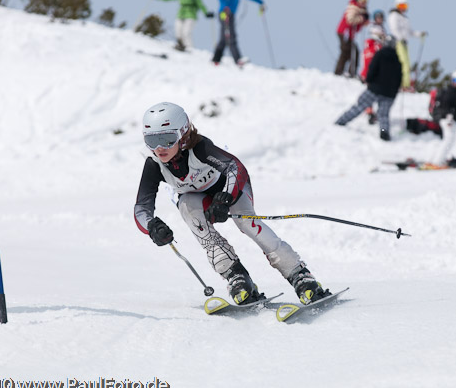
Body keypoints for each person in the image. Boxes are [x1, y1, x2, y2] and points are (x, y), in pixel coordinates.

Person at [135, 102, 329, 306]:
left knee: (247, 223)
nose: (159, 148)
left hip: (232, 192)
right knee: (187, 207)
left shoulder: (200, 148)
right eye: (151, 140)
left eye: (166, 139)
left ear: (182, 135)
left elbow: (236, 168)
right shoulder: (154, 165)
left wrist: (225, 198)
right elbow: (141, 207)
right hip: (201, 202)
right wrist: (152, 226)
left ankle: (299, 274)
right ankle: (235, 275)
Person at [335, 36, 402, 141]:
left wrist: (369, 81)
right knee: (383, 115)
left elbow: (372, 69)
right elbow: (399, 79)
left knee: (359, 106)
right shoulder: (397, 61)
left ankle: (340, 122)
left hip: (375, 89)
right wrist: (394, 92)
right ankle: (384, 133)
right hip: (389, 94)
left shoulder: (380, 54)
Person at [211, 0, 265, 66]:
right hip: (224, 13)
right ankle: (238, 59)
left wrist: (261, 2)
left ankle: (216, 59)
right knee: (231, 36)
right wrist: (225, 7)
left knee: (224, 38)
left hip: (230, 14)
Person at [387, 0, 426, 90]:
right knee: (402, 63)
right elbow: (394, 29)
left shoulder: (405, 18)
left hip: (404, 43)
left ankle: (406, 84)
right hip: (397, 42)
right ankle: (402, 84)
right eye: (401, 6)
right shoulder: (394, 16)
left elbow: (410, 32)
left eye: (405, 6)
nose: (403, 8)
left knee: (407, 64)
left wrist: (420, 34)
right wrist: (400, 38)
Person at [429, 70, 456, 167]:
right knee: (448, 139)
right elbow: (446, 105)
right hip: (446, 118)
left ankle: (436, 159)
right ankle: (437, 161)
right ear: (452, 80)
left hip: (448, 118)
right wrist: (448, 116)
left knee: (448, 139)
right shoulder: (451, 92)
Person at [360, 9, 386, 124]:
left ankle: (378, 113)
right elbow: (367, 62)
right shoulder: (371, 47)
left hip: (379, 76)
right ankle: (369, 111)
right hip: (371, 76)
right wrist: (365, 75)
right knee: (371, 92)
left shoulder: (380, 47)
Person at [334, 0, 369, 78]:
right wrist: (362, 18)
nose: (364, 2)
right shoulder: (353, 7)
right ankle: (340, 72)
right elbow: (350, 20)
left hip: (349, 35)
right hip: (345, 33)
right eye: (362, 0)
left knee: (353, 52)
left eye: (365, 0)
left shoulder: (361, 10)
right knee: (346, 52)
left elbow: (358, 25)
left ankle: (349, 72)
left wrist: (364, 20)